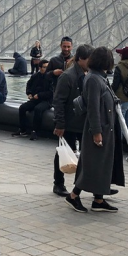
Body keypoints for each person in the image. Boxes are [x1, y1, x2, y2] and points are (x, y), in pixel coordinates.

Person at [66, 47, 125, 213]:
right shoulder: (94, 79)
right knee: (92, 164)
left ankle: (98, 199)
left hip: (106, 128)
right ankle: (73, 196)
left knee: (101, 163)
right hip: (100, 129)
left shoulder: (98, 77)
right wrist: (97, 132)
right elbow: (93, 107)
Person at [52, 44, 92, 196]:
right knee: (62, 153)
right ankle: (58, 183)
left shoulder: (87, 74)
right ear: (81, 59)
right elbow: (59, 101)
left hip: (82, 123)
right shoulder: (67, 76)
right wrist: (60, 123)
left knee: (85, 155)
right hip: (69, 123)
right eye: (89, 59)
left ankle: (79, 184)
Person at [12, 59, 49, 138]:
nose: (47, 69)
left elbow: (52, 92)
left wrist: (39, 95)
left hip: (47, 100)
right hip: (36, 99)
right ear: (40, 68)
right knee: (22, 107)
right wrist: (29, 93)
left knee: (38, 109)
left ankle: (35, 131)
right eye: (45, 67)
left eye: (47, 67)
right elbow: (28, 85)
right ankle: (22, 129)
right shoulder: (35, 76)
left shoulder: (50, 77)